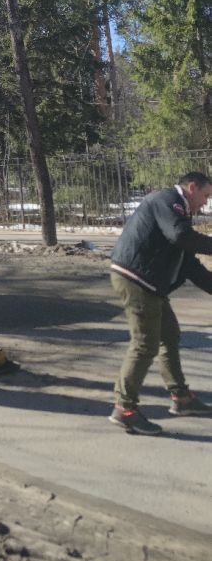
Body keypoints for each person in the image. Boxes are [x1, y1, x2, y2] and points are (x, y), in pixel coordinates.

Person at [108, 171, 212, 435]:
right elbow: (180, 237)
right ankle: (125, 408)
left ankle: (182, 399)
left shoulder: (179, 214)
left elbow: (189, 264)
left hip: (149, 283)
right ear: (191, 187)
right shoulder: (167, 200)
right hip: (136, 278)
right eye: (205, 195)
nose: (206, 203)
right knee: (145, 345)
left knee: (169, 335)